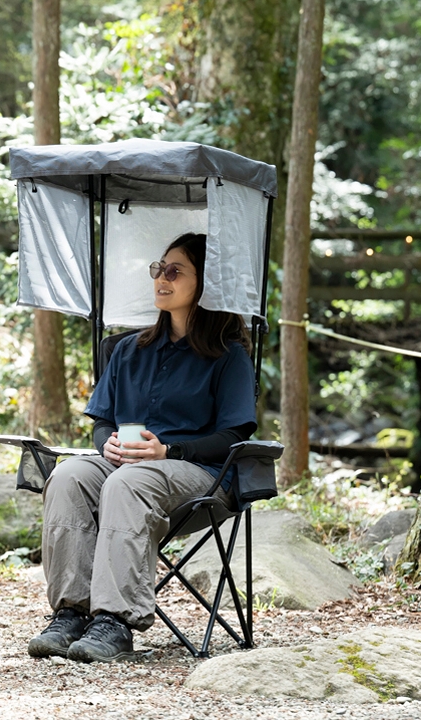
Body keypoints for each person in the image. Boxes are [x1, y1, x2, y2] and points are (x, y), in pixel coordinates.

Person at [27, 232, 257, 663]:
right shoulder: (128, 350)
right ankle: (70, 614)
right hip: (127, 467)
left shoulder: (229, 357)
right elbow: (102, 423)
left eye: (175, 271)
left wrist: (169, 451)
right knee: (68, 476)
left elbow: (233, 437)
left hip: (202, 475)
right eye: (158, 269)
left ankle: (115, 622)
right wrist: (108, 445)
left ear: (206, 283)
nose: (161, 278)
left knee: (129, 483)